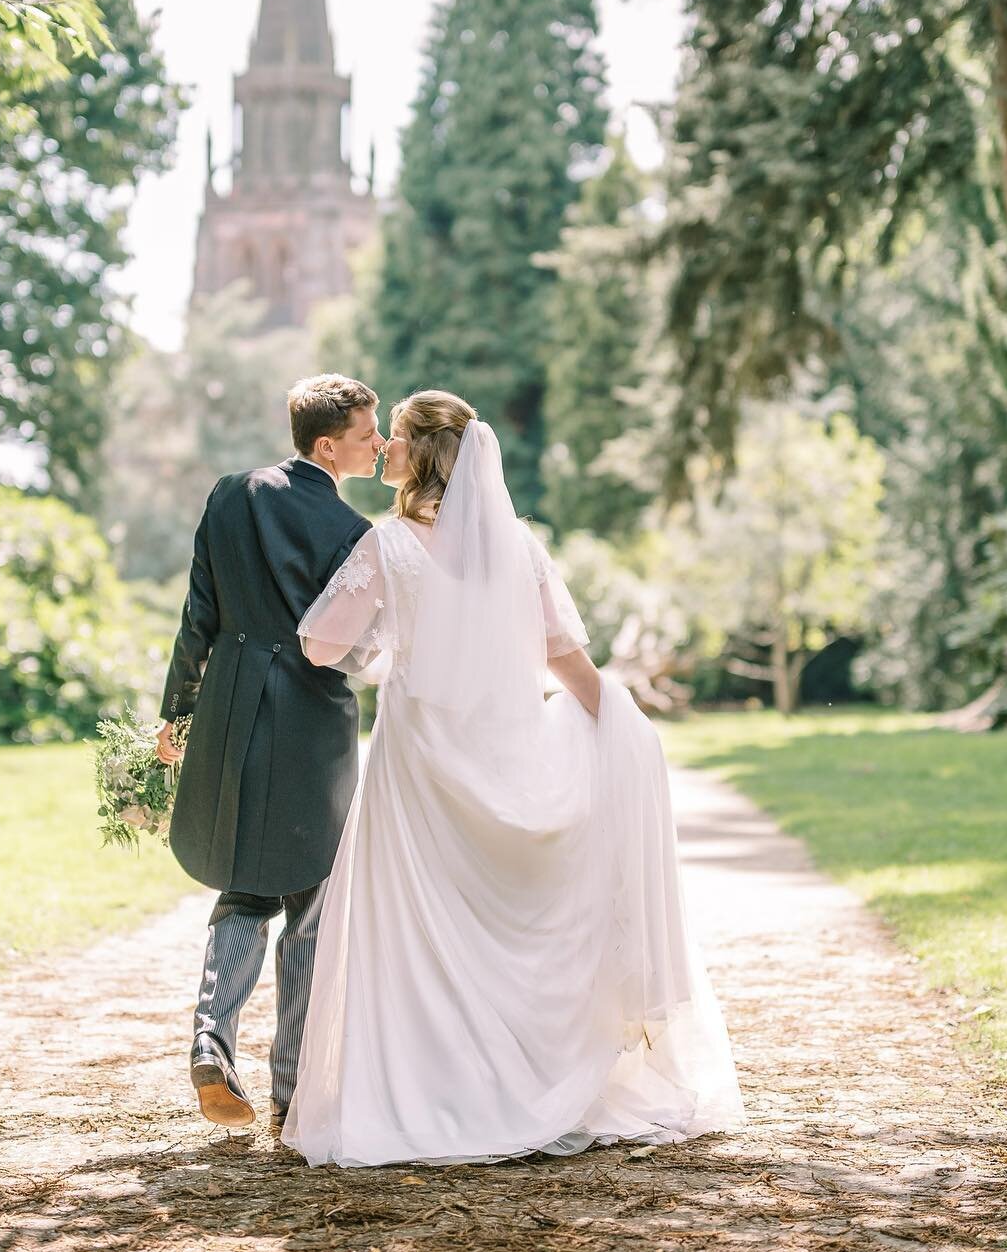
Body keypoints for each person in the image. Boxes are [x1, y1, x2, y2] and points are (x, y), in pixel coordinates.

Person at [282, 390, 744, 1167]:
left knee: (423, 933)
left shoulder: (386, 547)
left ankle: (438, 1093)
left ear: (421, 455)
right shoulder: (518, 548)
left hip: (423, 765)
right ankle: (527, 1083)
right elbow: (564, 658)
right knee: (509, 923)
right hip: (509, 748)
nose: (384, 449)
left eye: (394, 437)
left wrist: (378, 643)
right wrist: (618, 721)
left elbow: (322, 647)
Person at [155, 374, 384, 1129]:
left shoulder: (229, 494)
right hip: (313, 725)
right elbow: (350, 648)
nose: (377, 445)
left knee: (244, 885)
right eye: (365, 435)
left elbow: (200, 614)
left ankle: (211, 1040)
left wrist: (176, 711)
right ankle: (292, 1089)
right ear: (328, 446)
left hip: (229, 708)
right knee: (310, 901)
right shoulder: (353, 532)